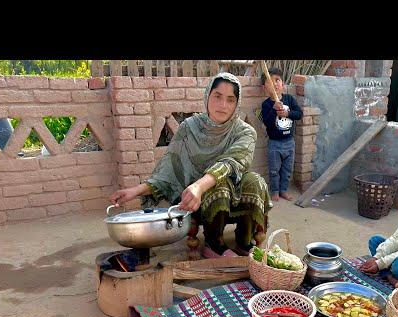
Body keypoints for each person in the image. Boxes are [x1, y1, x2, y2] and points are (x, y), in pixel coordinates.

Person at [110, 72, 272, 259]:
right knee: (219, 186)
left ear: (237, 104)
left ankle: (244, 240)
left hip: (228, 195)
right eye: (217, 97)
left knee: (255, 181)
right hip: (198, 201)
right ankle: (214, 244)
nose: (223, 105)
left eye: (230, 100)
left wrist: (200, 185)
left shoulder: (245, 132)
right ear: (207, 96)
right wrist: (136, 191)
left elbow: (232, 162)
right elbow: (169, 169)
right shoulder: (189, 128)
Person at [260, 67, 303, 202]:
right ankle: (275, 191)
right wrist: (274, 110)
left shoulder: (289, 99)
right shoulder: (266, 104)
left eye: (277, 80)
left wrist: (287, 113)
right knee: (274, 170)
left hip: (289, 142)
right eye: (270, 82)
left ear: (283, 84)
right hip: (275, 143)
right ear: (264, 88)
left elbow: (299, 114)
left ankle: (284, 190)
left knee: (287, 170)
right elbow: (267, 122)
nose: (274, 84)